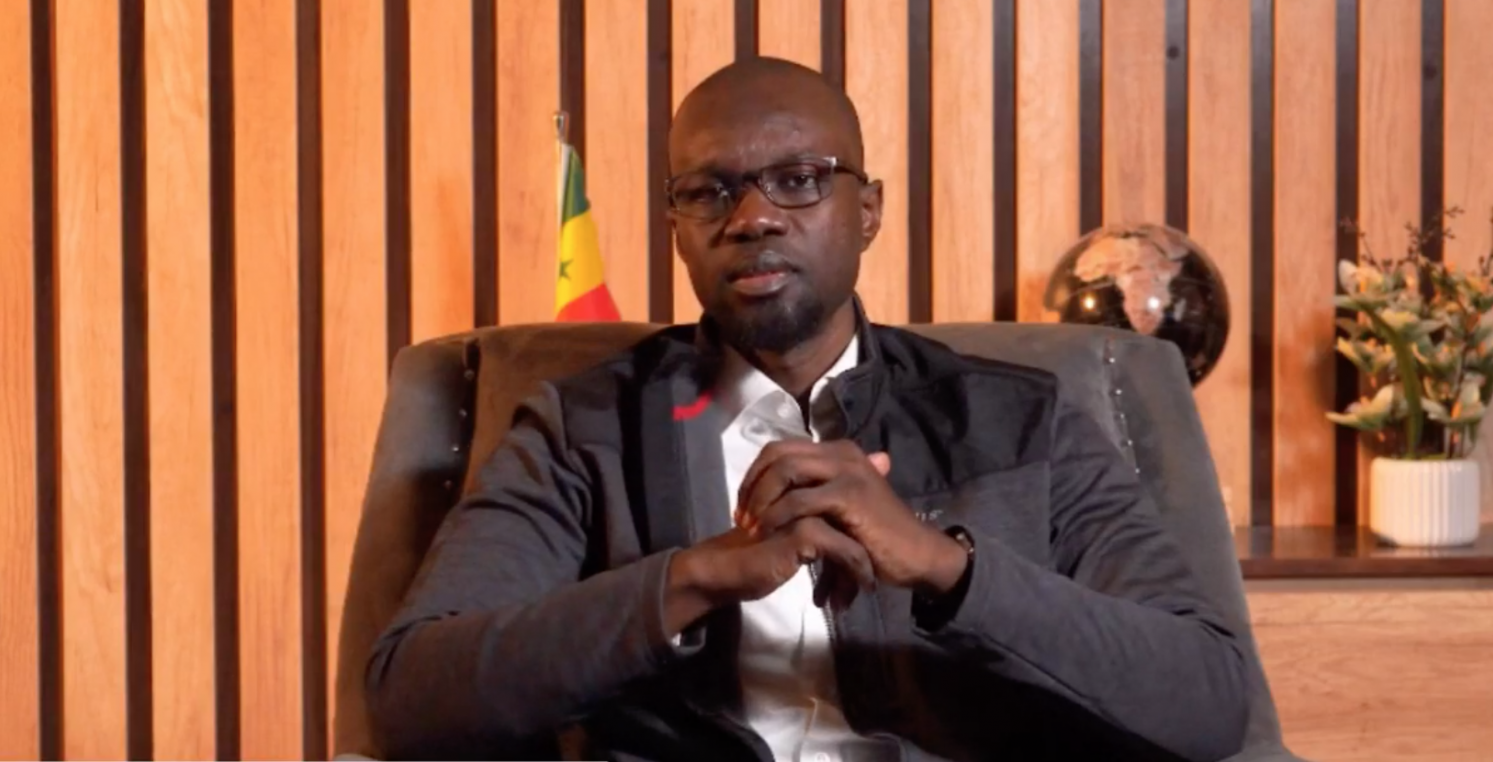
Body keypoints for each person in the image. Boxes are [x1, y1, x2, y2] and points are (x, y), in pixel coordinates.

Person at [365, 57, 1249, 762]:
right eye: (708, 192)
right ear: (677, 230)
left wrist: (945, 566)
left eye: (798, 179)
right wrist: (693, 579)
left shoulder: (1023, 420)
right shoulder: (582, 431)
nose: (753, 218)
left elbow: (1207, 697)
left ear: (868, 211)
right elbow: (412, 696)